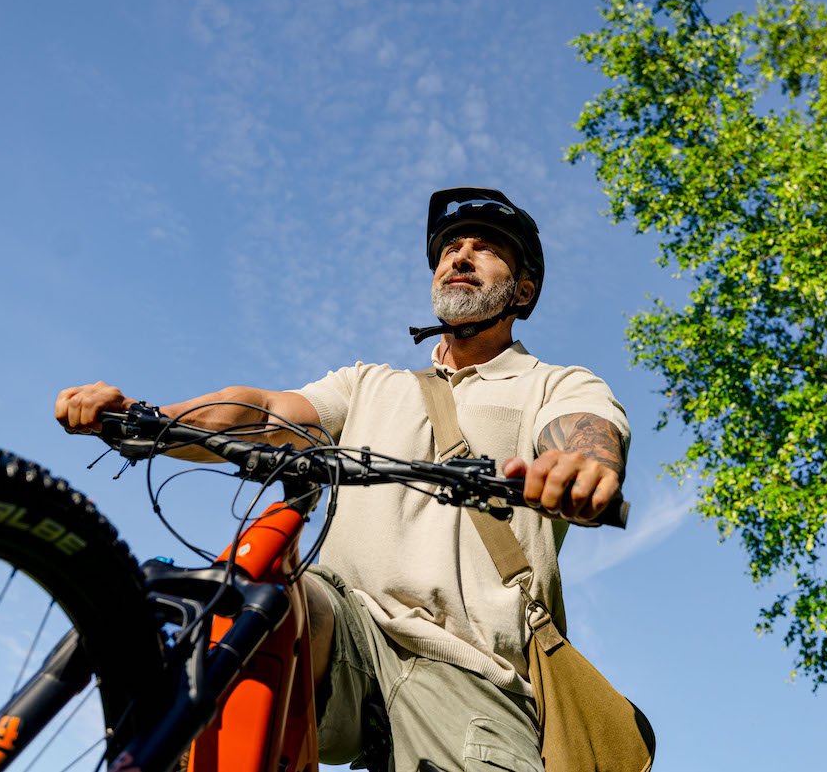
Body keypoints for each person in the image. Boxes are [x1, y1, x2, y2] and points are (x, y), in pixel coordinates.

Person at [55, 187, 629, 772]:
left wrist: (583, 468)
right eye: (450, 248)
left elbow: (586, 433)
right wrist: (144, 419)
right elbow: (257, 412)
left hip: (473, 668)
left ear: (523, 291)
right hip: (350, 624)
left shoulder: (554, 383)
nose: (459, 256)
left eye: (485, 249)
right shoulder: (368, 384)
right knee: (256, 601)